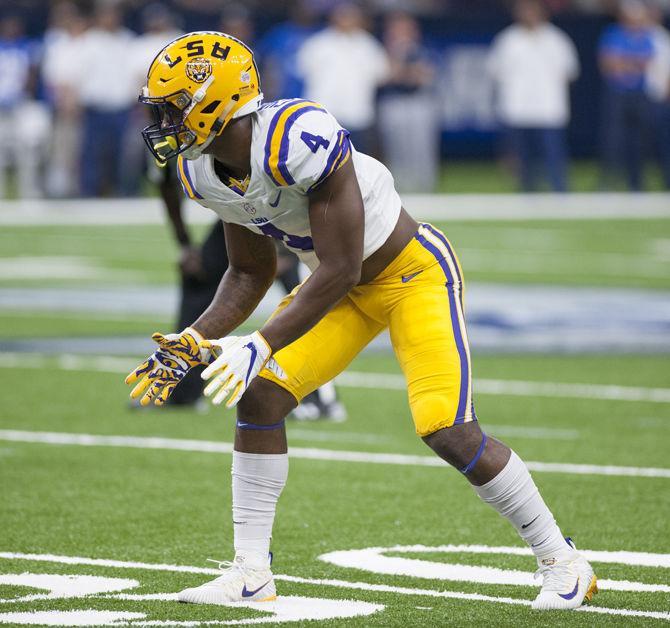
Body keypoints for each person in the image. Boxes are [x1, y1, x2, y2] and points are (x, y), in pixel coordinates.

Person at [126, 32, 597, 611]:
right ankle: (250, 573)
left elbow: (345, 265)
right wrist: (197, 338)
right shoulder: (203, 172)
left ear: (214, 102)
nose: (162, 121)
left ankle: (562, 559)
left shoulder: (296, 138)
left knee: (445, 428)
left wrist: (260, 343)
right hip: (336, 290)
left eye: (172, 107)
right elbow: (249, 273)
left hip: (408, 276)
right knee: (260, 399)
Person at [488, 0, 579, 192]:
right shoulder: (508, 40)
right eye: (524, 11)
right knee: (522, 160)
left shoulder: (556, 39)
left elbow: (570, 71)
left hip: (549, 109)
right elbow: (494, 72)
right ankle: (527, 195)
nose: (528, 15)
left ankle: (560, 193)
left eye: (532, 11)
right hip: (517, 109)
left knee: (553, 156)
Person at [297, 2, 389, 155]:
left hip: (357, 113)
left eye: (351, 16)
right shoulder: (318, 43)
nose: (346, 20)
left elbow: (382, 75)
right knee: (321, 159)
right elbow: (302, 70)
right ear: (333, 18)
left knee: (357, 159)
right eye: (343, 16)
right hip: (325, 112)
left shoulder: (368, 44)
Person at [77, 3, 137, 196]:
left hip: (122, 107)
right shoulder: (87, 41)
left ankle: (123, 192)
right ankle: (89, 193)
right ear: (99, 17)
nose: (110, 18)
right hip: (95, 107)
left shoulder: (128, 40)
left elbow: (135, 74)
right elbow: (77, 74)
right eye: (106, 15)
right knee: (91, 153)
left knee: (122, 154)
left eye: (113, 14)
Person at [378, 11, 439, 193]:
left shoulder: (423, 48)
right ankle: (399, 187)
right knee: (396, 148)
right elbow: (386, 76)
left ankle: (425, 185)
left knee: (421, 147)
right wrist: (404, 70)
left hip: (419, 102)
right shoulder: (384, 50)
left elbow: (426, 76)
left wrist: (406, 72)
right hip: (394, 102)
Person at [598, 0, 655, 191]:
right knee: (613, 139)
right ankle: (609, 181)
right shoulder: (613, 33)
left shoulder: (646, 36)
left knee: (639, 141)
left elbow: (646, 62)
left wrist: (623, 62)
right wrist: (630, 63)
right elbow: (609, 64)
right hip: (618, 94)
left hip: (638, 94)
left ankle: (636, 182)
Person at [0, 14, 49, 199]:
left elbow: (32, 74)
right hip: (2, 105)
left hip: (21, 105)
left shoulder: (27, 47)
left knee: (27, 151)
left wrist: (23, 94)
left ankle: (27, 192)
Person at [42, 3, 88, 198]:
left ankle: (82, 190)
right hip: (63, 105)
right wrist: (65, 100)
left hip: (86, 105)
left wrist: (78, 98)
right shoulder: (56, 43)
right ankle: (59, 192)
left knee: (83, 151)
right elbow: (52, 77)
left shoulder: (89, 43)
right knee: (62, 149)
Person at [646, 6, 670, 188]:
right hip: (638, 95)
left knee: (664, 144)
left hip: (659, 96)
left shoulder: (662, 38)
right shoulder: (637, 34)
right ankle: (637, 184)